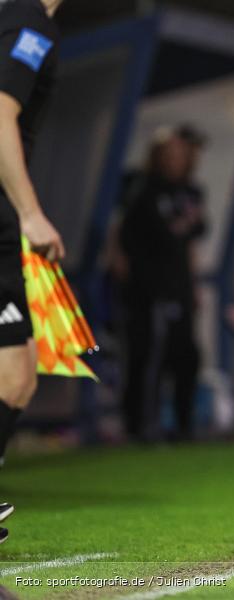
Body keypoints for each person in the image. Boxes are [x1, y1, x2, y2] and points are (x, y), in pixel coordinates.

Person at [0, 0, 66, 543]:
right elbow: (0, 110)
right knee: (15, 373)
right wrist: (29, 213)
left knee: (18, 372)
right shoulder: (29, 24)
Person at [117, 125, 206, 442]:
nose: (176, 161)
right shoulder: (143, 192)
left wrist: (193, 285)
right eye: (169, 155)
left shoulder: (190, 194)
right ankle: (139, 426)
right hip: (149, 290)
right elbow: (123, 239)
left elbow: (190, 244)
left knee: (187, 357)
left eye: (181, 156)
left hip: (179, 287)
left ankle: (184, 425)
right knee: (148, 356)